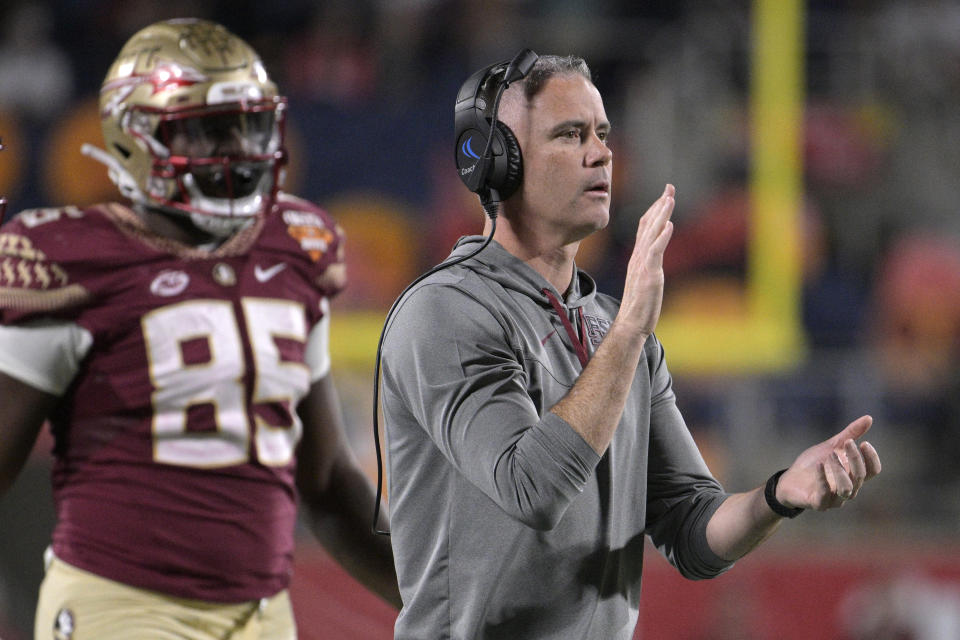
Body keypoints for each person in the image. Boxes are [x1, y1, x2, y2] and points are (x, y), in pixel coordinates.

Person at [380, 53, 881, 639]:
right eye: (570, 134)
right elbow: (532, 489)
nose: (601, 154)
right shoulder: (444, 312)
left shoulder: (618, 329)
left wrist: (779, 494)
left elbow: (693, 532)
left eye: (602, 134)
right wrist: (628, 334)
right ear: (496, 162)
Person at [0, 18, 399, 639]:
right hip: (122, 609)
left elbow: (325, 481)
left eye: (249, 124)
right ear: (137, 136)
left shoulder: (296, 248)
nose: (237, 149)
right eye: (210, 130)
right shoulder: (68, 258)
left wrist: (446, 601)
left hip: (262, 613)